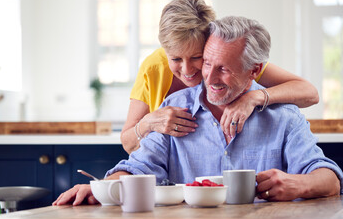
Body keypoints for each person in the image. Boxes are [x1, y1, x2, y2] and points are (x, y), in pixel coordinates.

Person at [53, 16, 341, 206]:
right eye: (207, 64)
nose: (210, 78)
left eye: (224, 69)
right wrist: (103, 188)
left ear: (255, 70)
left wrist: (298, 184)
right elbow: (139, 167)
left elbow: (329, 180)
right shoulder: (174, 108)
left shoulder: (284, 117)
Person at [121, 0, 319, 154]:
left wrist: (254, 97)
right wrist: (149, 123)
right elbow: (128, 143)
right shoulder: (153, 68)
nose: (188, 70)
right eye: (176, 59)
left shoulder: (229, 65)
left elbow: (309, 93)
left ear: (210, 46)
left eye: (198, 57)